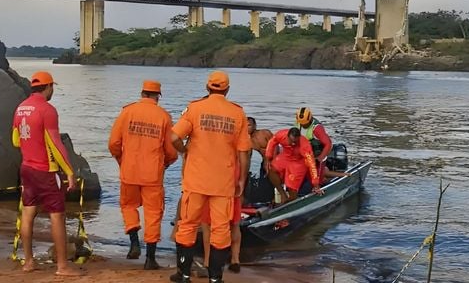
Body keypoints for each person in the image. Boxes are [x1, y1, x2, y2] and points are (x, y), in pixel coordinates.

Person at [171, 70, 251, 283]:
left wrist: (185, 150)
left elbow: (173, 137)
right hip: (223, 183)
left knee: (187, 225)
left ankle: (184, 274)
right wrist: (242, 180)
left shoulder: (195, 109)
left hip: (195, 180)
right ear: (227, 89)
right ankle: (215, 278)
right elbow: (244, 152)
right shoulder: (237, 113)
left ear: (207, 87)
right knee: (221, 229)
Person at [11, 71, 82, 276]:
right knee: (57, 217)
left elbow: (15, 140)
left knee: (28, 214)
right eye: (52, 87)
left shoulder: (21, 108)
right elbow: (56, 144)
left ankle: (29, 262)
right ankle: (62, 267)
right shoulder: (47, 110)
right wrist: (69, 172)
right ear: (48, 87)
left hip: (27, 168)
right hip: (46, 170)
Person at [108, 80, 177, 269]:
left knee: (128, 206)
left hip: (129, 171)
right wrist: (167, 163)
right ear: (158, 96)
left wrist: (122, 160)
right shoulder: (164, 116)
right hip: (153, 174)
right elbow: (171, 151)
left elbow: (113, 143)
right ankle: (150, 259)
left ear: (142, 93)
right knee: (153, 214)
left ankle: (134, 243)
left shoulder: (127, 112)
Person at [264, 128, 322, 204]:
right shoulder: (281, 134)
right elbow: (272, 142)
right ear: (287, 136)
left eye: (295, 142)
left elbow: (312, 164)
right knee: (271, 168)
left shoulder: (304, 145)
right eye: (291, 141)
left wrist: (315, 184)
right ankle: (282, 194)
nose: (293, 144)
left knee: (291, 186)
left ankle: (292, 201)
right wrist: (268, 157)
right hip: (286, 156)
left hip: (298, 161)